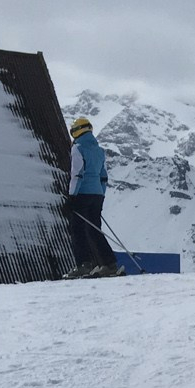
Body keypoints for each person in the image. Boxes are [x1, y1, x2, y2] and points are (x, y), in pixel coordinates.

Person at [63, 117, 122, 279]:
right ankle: (109, 264)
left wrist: (72, 197)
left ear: (77, 131)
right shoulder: (99, 150)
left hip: (82, 194)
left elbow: (77, 174)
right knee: (95, 229)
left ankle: (83, 264)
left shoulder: (78, 148)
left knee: (77, 230)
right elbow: (103, 176)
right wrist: (101, 195)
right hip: (97, 195)